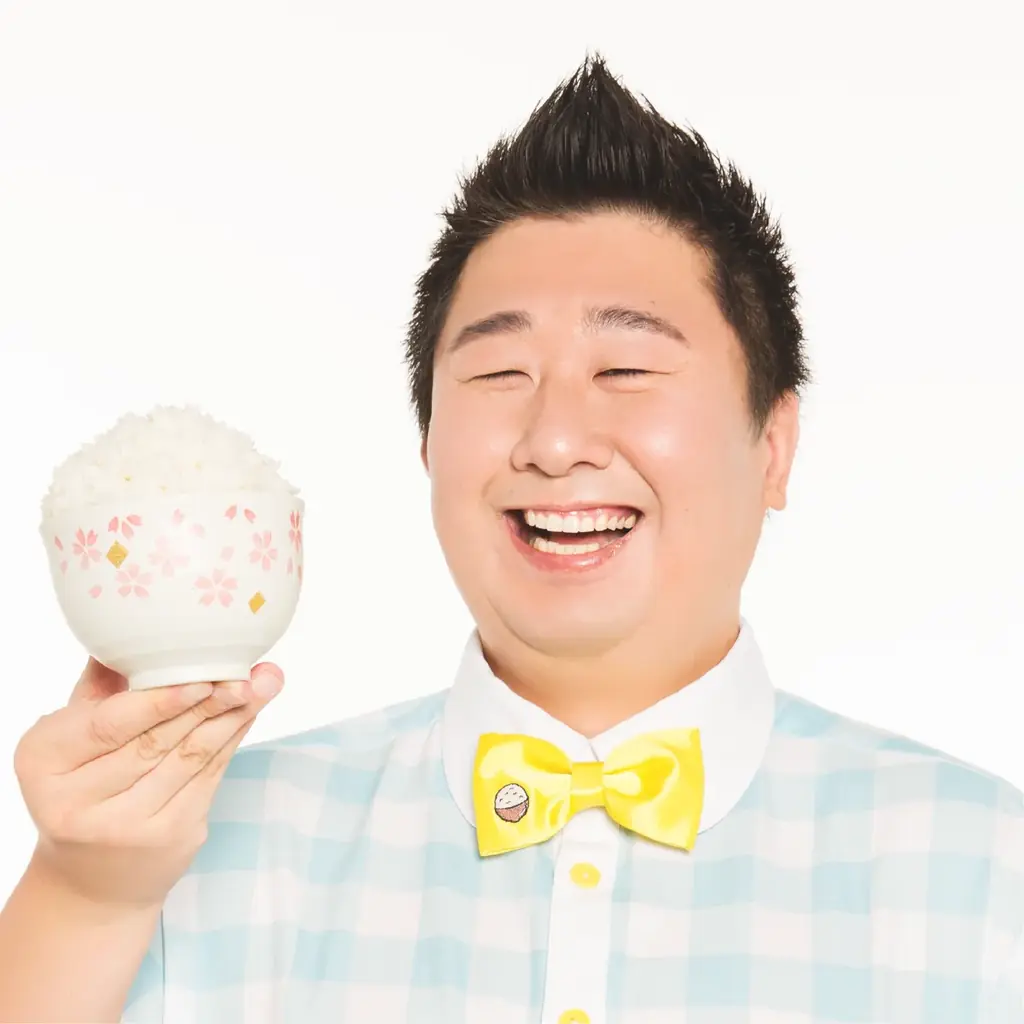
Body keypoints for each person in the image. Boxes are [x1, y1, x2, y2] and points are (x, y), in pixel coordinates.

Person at [1, 55, 1021, 1024]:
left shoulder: (983, 873)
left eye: (625, 370)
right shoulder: (190, 849)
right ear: (427, 443)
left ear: (773, 447)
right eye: (498, 375)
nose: (555, 440)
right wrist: (83, 895)